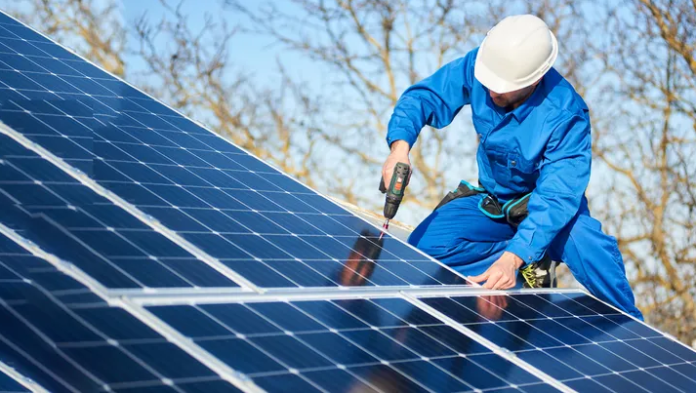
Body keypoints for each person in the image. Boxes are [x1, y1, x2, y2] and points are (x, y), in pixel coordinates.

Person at [381, 14, 643, 319]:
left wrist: (515, 254)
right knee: (422, 249)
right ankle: (529, 261)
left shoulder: (565, 114)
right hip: (494, 204)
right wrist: (399, 149)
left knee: (588, 247)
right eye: (488, 84)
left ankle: (633, 325)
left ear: (533, 81)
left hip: (544, 210)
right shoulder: (482, 65)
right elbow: (426, 97)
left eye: (502, 89)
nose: (491, 93)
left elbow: (557, 198)